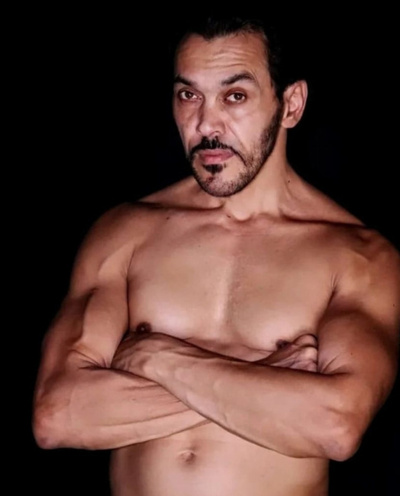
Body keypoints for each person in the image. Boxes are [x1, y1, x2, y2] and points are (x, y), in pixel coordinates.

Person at [32, 15, 400, 496]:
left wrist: (157, 357)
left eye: (235, 96)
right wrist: (265, 380)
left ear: (290, 104)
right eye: (189, 95)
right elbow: (58, 415)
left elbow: (335, 424)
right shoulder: (125, 232)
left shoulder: (357, 256)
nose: (206, 124)